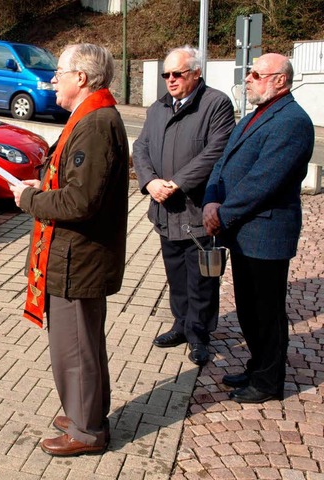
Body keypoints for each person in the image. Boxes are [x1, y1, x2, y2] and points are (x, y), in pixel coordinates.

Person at [10, 43, 129, 457]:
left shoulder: (96, 123)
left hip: (78, 259)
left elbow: (80, 201)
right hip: (75, 256)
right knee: (82, 343)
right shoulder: (93, 116)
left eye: (59, 71)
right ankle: (86, 410)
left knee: (75, 347)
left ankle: (87, 430)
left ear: (82, 78)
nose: (52, 79)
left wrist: (29, 199)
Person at [203, 53, 314, 403]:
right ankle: (257, 366)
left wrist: (223, 212)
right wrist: (210, 199)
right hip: (241, 230)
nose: (248, 78)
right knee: (249, 308)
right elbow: (223, 161)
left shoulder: (293, 121)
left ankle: (268, 381)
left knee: (267, 310)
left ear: (280, 80)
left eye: (256, 74)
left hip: (266, 232)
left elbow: (265, 180)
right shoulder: (254, 116)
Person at [132, 46, 235, 366]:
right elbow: (141, 147)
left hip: (197, 208)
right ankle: (181, 323)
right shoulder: (158, 107)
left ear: (196, 73)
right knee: (175, 272)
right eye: (166, 74)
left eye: (178, 74)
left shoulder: (216, 103)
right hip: (164, 208)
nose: (171, 80)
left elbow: (215, 151)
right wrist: (150, 182)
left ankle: (200, 334)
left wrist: (176, 182)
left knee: (202, 276)